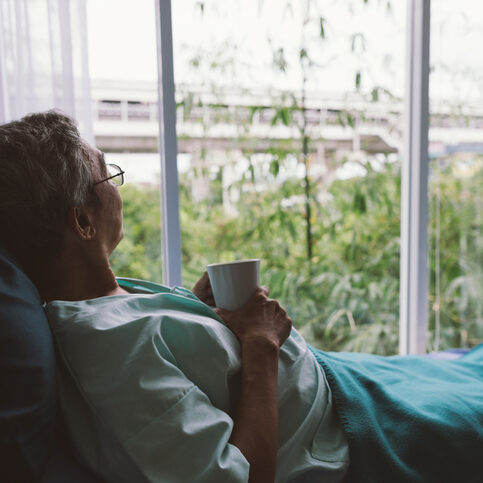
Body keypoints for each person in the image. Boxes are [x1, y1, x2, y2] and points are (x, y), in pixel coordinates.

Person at [0, 111, 481, 483]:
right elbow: (236, 477)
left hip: (341, 385)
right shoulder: (105, 351)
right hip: (342, 435)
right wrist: (260, 343)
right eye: (108, 177)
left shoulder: (100, 305)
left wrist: (198, 311)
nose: (118, 192)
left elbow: (167, 356)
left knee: (466, 371)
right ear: (82, 222)